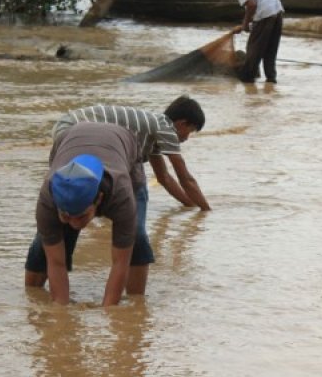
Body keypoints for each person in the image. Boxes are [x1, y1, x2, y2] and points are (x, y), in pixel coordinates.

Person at [51, 96, 211, 295]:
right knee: (79, 189)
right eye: (191, 131)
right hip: (74, 128)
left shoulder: (150, 134)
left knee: (98, 186)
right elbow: (185, 177)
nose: (187, 137)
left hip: (73, 126)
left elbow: (164, 178)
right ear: (181, 123)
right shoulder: (165, 128)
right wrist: (206, 209)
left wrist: (191, 207)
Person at [24, 123, 142, 306]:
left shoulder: (122, 195)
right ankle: (31, 291)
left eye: (81, 216)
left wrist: (109, 313)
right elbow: (56, 263)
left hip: (122, 142)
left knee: (137, 236)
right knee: (47, 240)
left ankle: (137, 299)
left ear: (99, 200)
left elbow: (120, 263)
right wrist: (61, 313)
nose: (73, 223)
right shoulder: (48, 197)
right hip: (68, 139)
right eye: (66, 216)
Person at [219, 0, 284, 83]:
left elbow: (252, 4)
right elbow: (256, 3)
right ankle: (271, 79)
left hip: (265, 14)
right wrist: (249, 24)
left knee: (253, 49)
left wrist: (244, 25)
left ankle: (247, 79)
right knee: (270, 50)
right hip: (277, 12)